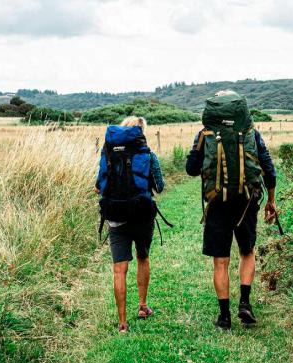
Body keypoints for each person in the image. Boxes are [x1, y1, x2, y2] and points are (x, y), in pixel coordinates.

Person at [186, 90, 276, 330]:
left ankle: (224, 317)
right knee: (247, 252)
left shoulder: (204, 135)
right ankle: (245, 303)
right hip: (246, 201)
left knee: (220, 261)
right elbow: (268, 169)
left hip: (217, 203)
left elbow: (191, 169)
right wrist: (271, 201)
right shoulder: (252, 134)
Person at [94, 116, 164, 333]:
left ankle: (122, 323)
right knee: (143, 257)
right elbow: (159, 186)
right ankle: (142, 307)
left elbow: (98, 187)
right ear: (141, 133)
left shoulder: (107, 153)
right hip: (142, 216)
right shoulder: (149, 154)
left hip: (115, 217)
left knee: (119, 270)